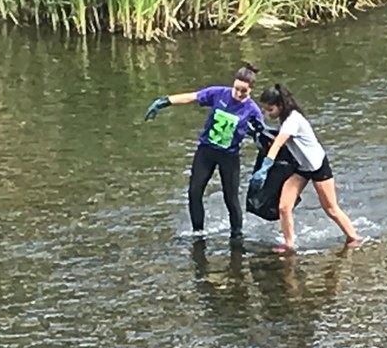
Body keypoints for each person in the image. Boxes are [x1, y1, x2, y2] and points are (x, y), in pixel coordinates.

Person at [143, 62, 267, 239]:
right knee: (194, 192)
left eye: (244, 92)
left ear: (251, 90)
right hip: (206, 151)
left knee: (230, 199)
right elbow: (192, 97)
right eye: (237, 89)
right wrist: (165, 102)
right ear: (233, 83)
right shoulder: (219, 93)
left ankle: (237, 235)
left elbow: (263, 136)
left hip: (229, 157)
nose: (239, 94)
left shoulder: (252, 110)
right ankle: (198, 233)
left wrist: (258, 139)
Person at [253, 84, 362, 251]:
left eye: (270, 109)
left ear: (280, 106)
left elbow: (278, 144)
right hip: (301, 167)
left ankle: (353, 236)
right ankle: (289, 244)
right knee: (284, 206)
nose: (267, 114)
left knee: (331, 209)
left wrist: (265, 167)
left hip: (318, 167)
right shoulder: (285, 120)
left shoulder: (292, 120)